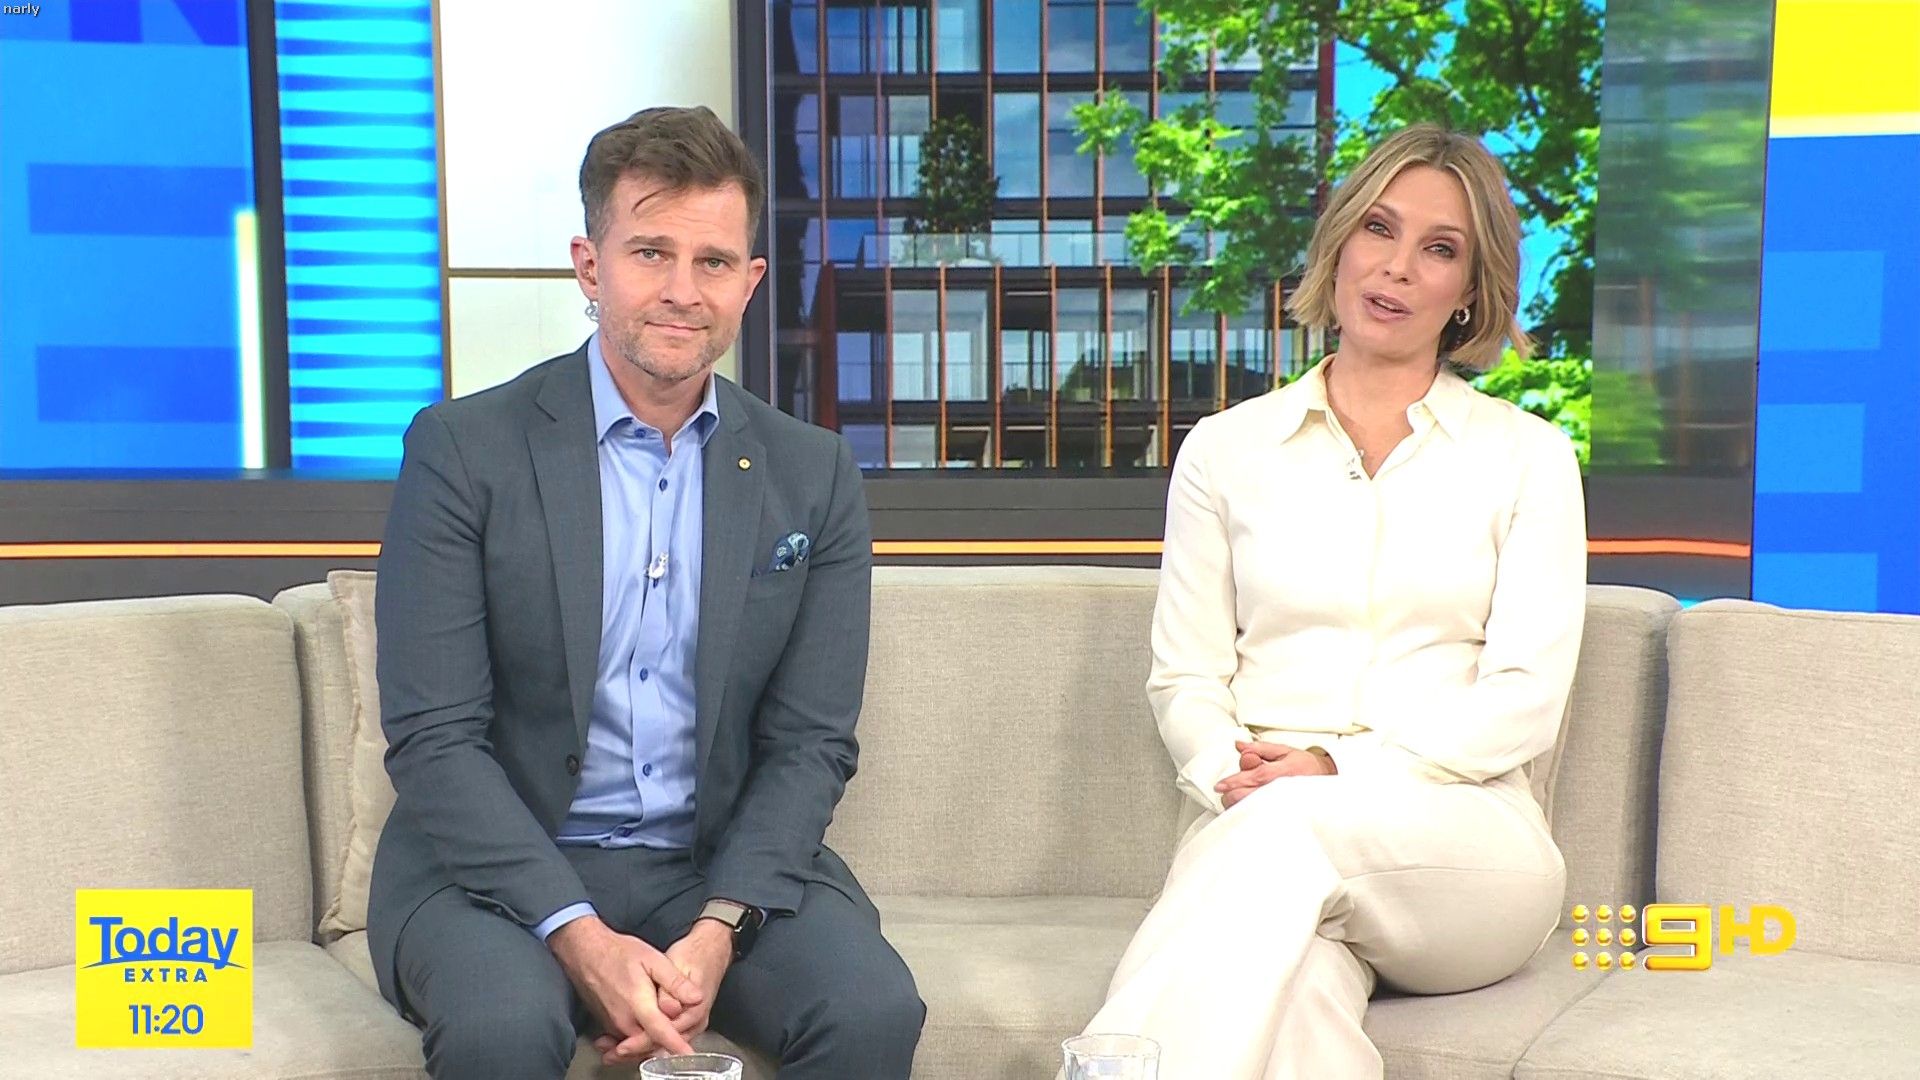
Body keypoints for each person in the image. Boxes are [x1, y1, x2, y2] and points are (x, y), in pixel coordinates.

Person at [368, 106, 924, 1079]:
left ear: (751, 281)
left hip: (711, 868)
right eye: (651, 253)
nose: (681, 290)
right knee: (503, 1029)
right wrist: (579, 934)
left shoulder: (813, 473)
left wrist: (718, 929)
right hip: (494, 869)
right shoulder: (463, 450)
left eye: (713, 262)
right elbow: (434, 737)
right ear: (590, 267)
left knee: (871, 1009)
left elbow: (811, 743)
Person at [1082, 123, 1588, 1078]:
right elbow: (1185, 680)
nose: (1396, 267)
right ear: (1341, 241)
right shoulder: (1226, 449)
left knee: (1281, 831)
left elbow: (1524, 701)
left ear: (1469, 288)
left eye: (1439, 248)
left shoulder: (1528, 457)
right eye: (1379, 229)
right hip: (1257, 828)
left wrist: (1329, 770)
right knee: (1298, 1003)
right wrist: (1237, 779)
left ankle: (1110, 1066)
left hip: (1465, 844)